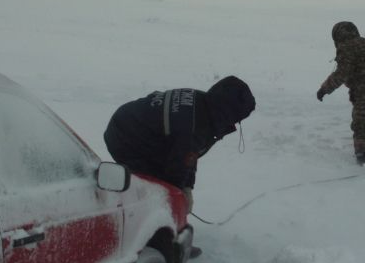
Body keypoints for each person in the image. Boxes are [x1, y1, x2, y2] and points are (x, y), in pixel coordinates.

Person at [104, 76, 255, 214]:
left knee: (168, 179)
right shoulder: (195, 126)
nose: (235, 122)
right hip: (125, 137)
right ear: (227, 112)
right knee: (156, 187)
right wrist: (180, 197)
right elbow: (178, 168)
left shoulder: (203, 102)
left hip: (130, 121)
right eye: (237, 118)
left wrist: (187, 186)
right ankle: (151, 223)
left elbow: (189, 154)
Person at [316, 21, 365, 165]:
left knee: (361, 122)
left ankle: (364, 156)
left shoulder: (348, 48)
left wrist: (324, 89)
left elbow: (342, 73)